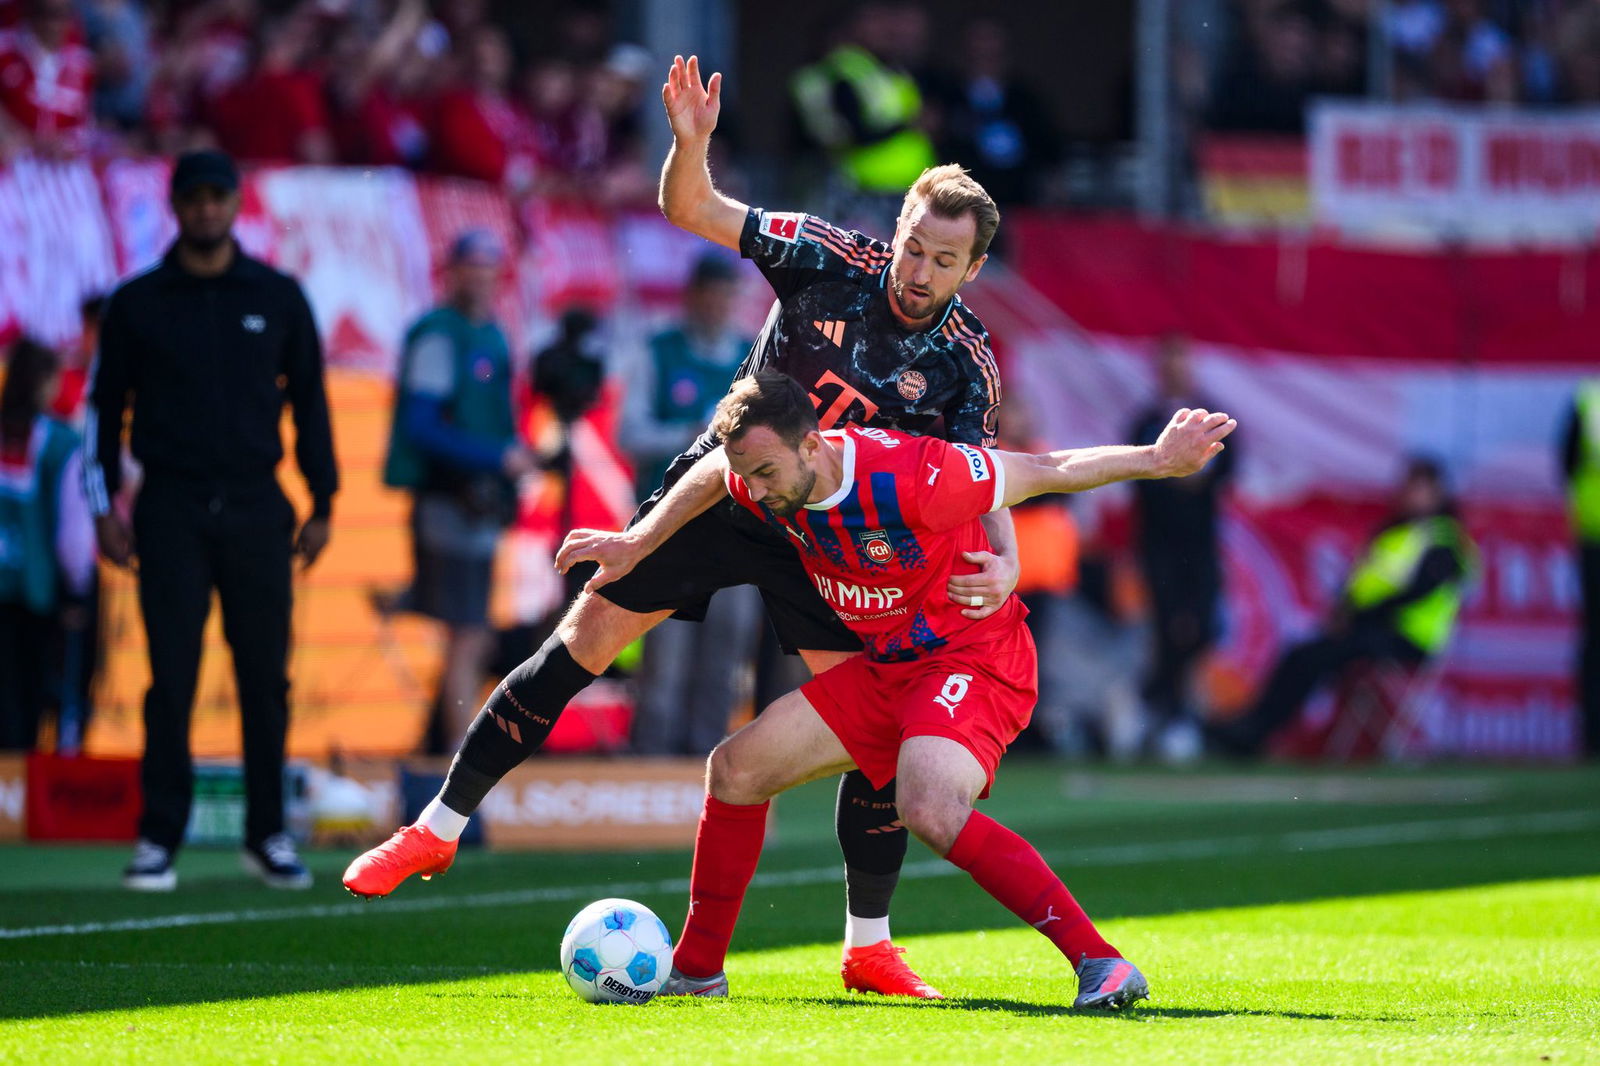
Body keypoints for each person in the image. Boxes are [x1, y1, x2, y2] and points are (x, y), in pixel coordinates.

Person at [344, 54, 1015, 1001]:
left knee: (875, 726)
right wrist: (689, 144)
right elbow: (693, 209)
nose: (918, 272)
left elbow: (986, 480)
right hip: (727, 488)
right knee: (586, 633)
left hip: (831, 535)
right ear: (895, 229)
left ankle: (869, 943)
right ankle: (437, 829)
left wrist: (1004, 564)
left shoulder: (964, 365)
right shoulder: (829, 255)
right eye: (912, 247)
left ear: (973, 268)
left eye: (944, 261)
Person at [554, 370, 1235, 1006]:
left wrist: (1157, 458)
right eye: (747, 476)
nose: (754, 493)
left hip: (973, 656)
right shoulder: (757, 472)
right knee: (734, 770)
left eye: (764, 473)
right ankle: (698, 972)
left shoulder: (915, 475)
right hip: (888, 668)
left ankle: (1100, 962)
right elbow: (711, 472)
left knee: (929, 806)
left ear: (812, 445)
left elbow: (1043, 470)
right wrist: (637, 539)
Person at [86, 149, 338, 892]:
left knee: (264, 677)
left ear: (234, 204)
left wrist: (322, 502)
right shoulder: (138, 302)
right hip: (170, 503)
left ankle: (268, 836)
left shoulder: (278, 295)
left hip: (258, 503)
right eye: (192, 198)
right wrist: (105, 508)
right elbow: (104, 414)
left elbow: (313, 406)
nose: (205, 209)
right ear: (175, 206)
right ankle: (158, 837)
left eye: (216, 197)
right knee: (172, 676)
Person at [1209, 457, 1476, 759]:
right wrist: (1346, 613)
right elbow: (1364, 584)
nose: (1414, 496)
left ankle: (1255, 732)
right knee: (1301, 654)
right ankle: (1254, 727)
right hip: (1374, 630)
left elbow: (1418, 592)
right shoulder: (1394, 533)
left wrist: (1359, 618)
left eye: (1423, 489)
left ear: (1440, 494)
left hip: (1408, 638)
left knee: (1314, 657)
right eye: (1411, 487)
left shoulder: (1445, 538)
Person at [383, 229, 533, 749]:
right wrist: (497, 457)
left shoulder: (489, 332)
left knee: (471, 634)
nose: (481, 277)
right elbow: (420, 427)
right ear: (451, 273)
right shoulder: (441, 335)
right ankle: (455, 762)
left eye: (489, 266)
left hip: (480, 505)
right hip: (449, 501)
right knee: (467, 635)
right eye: (471, 266)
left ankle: (444, 750)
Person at [619, 252, 761, 756]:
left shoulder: (753, 356)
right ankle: (651, 771)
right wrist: (689, 438)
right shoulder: (657, 350)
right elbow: (628, 432)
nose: (720, 305)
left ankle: (706, 772)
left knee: (725, 658)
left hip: (735, 531)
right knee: (666, 659)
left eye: (729, 295)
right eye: (712, 293)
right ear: (693, 295)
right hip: (669, 530)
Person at [1129, 336, 1235, 760]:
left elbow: (1225, 468)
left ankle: (1158, 701)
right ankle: (1170, 717)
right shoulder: (1145, 420)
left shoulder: (1215, 418)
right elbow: (1136, 472)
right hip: (1159, 545)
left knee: (1206, 627)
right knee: (1168, 627)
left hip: (1201, 543)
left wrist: (1193, 474)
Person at [0, 338, 93, 751]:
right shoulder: (61, 445)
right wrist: (78, 593)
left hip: (18, 597)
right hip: (37, 602)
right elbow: (74, 540)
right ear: (44, 383)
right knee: (34, 711)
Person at [1560, 379, 1600, 759]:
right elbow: (1567, 465)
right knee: (1596, 636)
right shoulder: (1589, 400)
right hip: (1595, 539)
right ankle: (1593, 737)